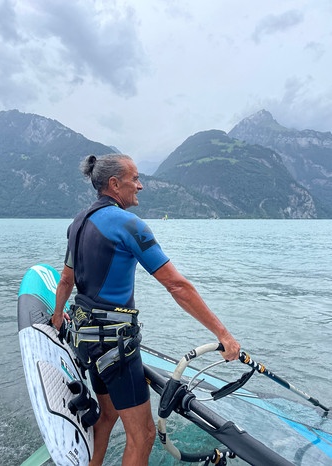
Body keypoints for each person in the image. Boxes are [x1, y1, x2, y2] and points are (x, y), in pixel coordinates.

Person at [52, 153, 240, 466]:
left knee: (108, 414)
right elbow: (177, 286)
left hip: (86, 340)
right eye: (135, 179)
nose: (140, 186)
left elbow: (66, 280)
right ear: (114, 184)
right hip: (115, 345)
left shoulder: (79, 222)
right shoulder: (128, 224)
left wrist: (58, 318)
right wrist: (223, 334)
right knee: (143, 436)